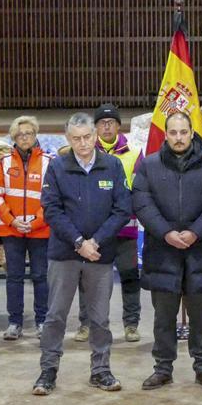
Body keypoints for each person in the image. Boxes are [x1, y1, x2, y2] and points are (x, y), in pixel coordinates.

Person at [32, 113, 131, 395]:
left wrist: (96, 241)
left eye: (87, 137)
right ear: (68, 139)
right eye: (76, 138)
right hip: (64, 255)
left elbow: (122, 209)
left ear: (96, 135)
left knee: (100, 318)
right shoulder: (58, 167)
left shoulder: (112, 166)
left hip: (100, 255)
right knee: (55, 316)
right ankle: (47, 372)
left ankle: (101, 371)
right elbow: (51, 210)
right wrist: (78, 242)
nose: (83, 143)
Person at [132, 112, 202, 390]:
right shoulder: (149, 166)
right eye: (172, 132)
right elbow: (141, 202)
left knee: (201, 315)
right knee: (163, 317)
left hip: (201, 252)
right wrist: (166, 233)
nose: (178, 138)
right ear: (166, 134)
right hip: (162, 252)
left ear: (191, 132)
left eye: (183, 132)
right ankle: (162, 368)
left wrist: (195, 232)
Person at [73, 103, 143, 343]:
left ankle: (131, 324)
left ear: (118, 125)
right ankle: (85, 324)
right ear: (94, 128)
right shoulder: (86, 153)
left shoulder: (134, 154)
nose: (106, 126)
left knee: (130, 276)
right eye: (101, 123)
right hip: (94, 233)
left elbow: (139, 191)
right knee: (87, 279)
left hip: (125, 229)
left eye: (110, 122)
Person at [0, 115, 52, 340]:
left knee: (41, 276)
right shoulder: (3, 163)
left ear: (36, 136)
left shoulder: (48, 162)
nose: (25, 138)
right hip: (11, 230)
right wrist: (12, 221)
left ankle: (42, 322)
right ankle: (14, 323)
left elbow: (52, 198)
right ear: (14, 137)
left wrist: (35, 223)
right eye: (20, 134)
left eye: (29, 133)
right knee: (14, 277)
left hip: (40, 231)